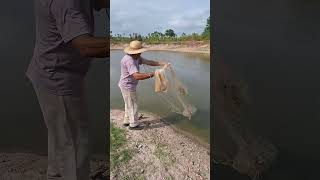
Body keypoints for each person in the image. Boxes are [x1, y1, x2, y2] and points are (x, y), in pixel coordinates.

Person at [26, 0, 108, 179]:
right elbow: (85, 45)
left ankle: (55, 174)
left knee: (61, 137)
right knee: (76, 144)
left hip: (50, 72)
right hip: (57, 79)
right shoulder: (68, 2)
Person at [118, 40, 168, 130]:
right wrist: (153, 74)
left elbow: (149, 62)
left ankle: (127, 120)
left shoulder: (136, 57)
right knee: (133, 104)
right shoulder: (129, 60)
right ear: (133, 52)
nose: (140, 53)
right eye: (139, 52)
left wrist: (162, 63)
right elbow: (136, 76)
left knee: (129, 103)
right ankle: (133, 124)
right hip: (127, 86)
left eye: (140, 52)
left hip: (128, 85)